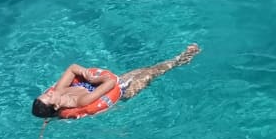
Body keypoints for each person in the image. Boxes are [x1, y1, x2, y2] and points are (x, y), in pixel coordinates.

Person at [31, 44, 201, 118]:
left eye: (45, 93)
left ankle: (180, 59)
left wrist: (88, 76)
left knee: (149, 68)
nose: (50, 91)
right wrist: (99, 78)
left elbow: (72, 67)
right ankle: (184, 59)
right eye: (48, 96)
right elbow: (110, 83)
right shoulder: (79, 100)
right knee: (153, 72)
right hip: (125, 90)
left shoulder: (59, 91)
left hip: (110, 83)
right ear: (55, 106)